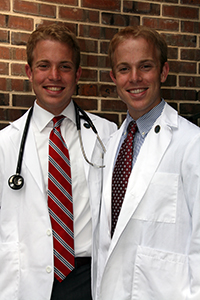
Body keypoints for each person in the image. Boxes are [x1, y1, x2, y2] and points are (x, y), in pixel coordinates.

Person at [0, 23, 117, 300]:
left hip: (88, 280)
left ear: (77, 74)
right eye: (43, 65)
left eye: (64, 66)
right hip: (25, 279)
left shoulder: (107, 135)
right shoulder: (5, 144)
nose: (54, 76)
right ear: (29, 72)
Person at [95, 26, 200, 300]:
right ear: (113, 77)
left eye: (145, 66)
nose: (135, 78)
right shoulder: (110, 145)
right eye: (124, 69)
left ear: (163, 72)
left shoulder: (192, 144)